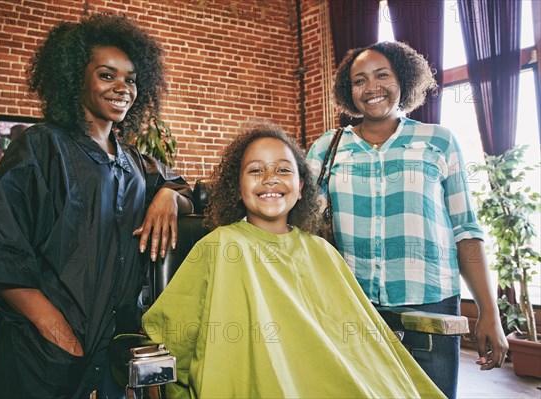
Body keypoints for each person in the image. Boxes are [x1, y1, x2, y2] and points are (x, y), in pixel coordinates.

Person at [0, 14, 193, 399]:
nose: (122, 88)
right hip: (42, 352)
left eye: (131, 79)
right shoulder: (38, 148)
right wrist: (61, 339)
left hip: (110, 351)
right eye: (107, 75)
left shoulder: (137, 162)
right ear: (75, 80)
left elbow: (186, 187)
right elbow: (1, 254)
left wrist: (168, 195)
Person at [142, 122, 444, 398]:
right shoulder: (221, 246)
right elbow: (170, 338)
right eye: (256, 170)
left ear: (301, 188)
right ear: (236, 188)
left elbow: (363, 345)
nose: (271, 179)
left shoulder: (322, 252)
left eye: (284, 170)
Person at [306, 41, 508, 398]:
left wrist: (487, 311)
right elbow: (303, 230)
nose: (371, 88)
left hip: (430, 307)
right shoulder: (325, 149)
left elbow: (466, 231)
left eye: (382, 75)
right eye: (359, 81)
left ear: (404, 78)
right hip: (353, 308)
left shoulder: (439, 141)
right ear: (347, 91)